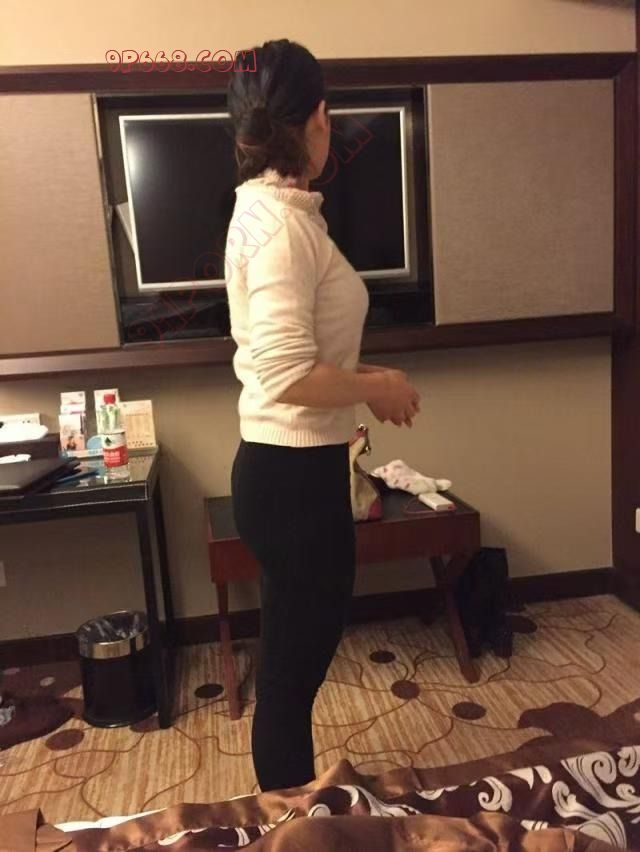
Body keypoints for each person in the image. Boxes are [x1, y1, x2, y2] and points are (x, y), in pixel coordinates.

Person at [226, 38, 421, 792]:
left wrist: (369, 383)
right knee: (288, 680)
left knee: (288, 670)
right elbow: (287, 374)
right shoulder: (281, 229)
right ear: (319, 117)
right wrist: (378, 383)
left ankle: (290, 812)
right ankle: (289, 825)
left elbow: (290, 361)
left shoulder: (271, 212)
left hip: (285, 474)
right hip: (293, 482)